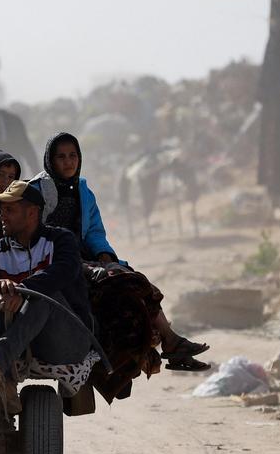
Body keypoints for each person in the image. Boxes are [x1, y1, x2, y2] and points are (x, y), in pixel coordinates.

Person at [29, 132, 210, 373]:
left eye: (72, 155)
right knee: (119, 282)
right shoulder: (39, 189)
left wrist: (104, 253)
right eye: (61, 157)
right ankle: (170, 342)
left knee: (135, 280)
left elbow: (94, 230)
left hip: (87, 258)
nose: (68, 161)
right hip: (58, 260)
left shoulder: (83, 191)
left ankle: (170, 340)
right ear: (50, 160)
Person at [0, 180, 99, 411]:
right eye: (1, 210)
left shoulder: (60, 240)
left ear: (32, 213)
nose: (1, 217)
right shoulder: (0, 248)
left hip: (66, 342)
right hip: (25, 342)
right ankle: (5, 385)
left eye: (9, 210)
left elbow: (64, 270)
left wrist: (21, 290)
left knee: (44, 296)